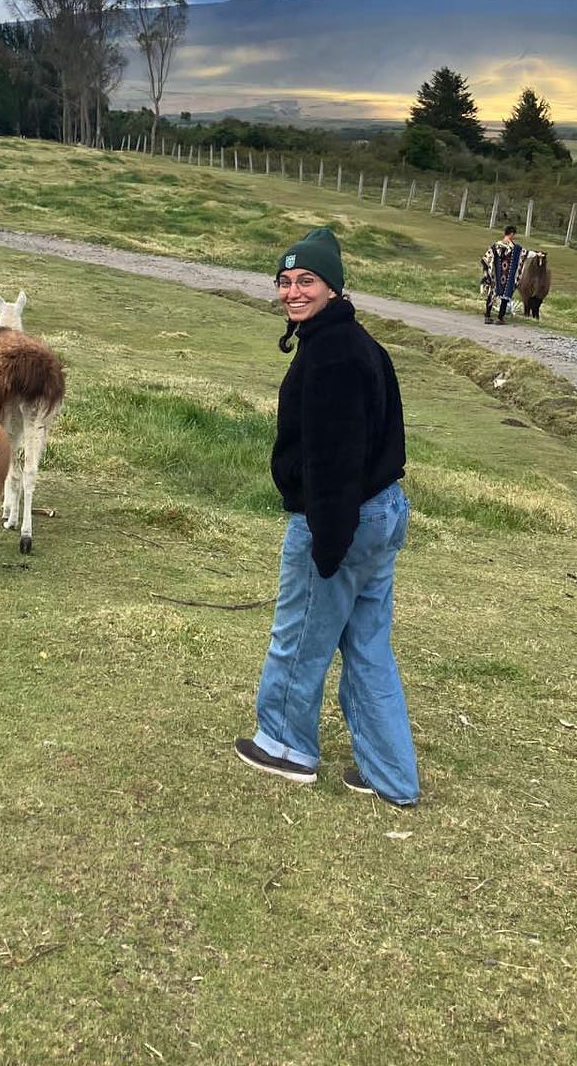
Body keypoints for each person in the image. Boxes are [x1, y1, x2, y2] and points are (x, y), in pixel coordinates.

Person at [234, 227, 419, 804]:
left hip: (342, 520)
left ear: (333, 287)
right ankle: (392, 777)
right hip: (383, 511)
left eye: (306, 281)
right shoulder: (356, 342)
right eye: (285, 282)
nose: (293, 292)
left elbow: (334, 461)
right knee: (367, 646)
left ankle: (286, 746)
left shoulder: (333, 356)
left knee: (300, 638)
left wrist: (327, 544)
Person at [481, 223, 528, 324]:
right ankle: (500, 318)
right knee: (506, 295)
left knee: (491, 293)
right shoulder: (515, 248)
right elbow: (525, 254)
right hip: (507, 277)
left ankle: (487, 316)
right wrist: (538, 253)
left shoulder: (495, 246)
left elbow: (486, 258)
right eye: (513, 235)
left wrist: (488, 272)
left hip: (496, 276)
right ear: (511, 234)